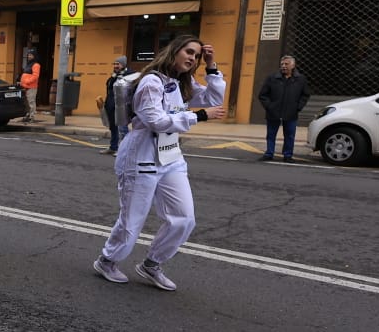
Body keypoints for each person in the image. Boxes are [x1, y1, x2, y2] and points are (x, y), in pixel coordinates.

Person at [94, 36, 226, 292]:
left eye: (197, 56)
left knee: (184, 218)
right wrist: (197, 116)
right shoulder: (151, 81)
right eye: (188, 52)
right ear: (174, 51)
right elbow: (155, 120)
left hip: (171, 158)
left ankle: (152, 263)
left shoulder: (181, 83)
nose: (192, 58)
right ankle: (107, 260)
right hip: (140, 157)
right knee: (132, 221)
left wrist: (212, 67)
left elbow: (212, 99)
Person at [258, 55, 310, 162]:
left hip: (291, 112)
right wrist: (269, 106)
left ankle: (287, 155)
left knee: (290, 135)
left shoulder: (300, 79)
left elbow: (305, 95)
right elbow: (263, 95)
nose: (283, 66)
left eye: (286, 64)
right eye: (282, 64)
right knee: (271, 134)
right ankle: (269, 153)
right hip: (273, 112)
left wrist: (298, 107)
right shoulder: (272, 78)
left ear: (293, 65)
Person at [101, 57, 128, 154]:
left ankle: (124, 150)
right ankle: (113, 147)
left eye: (118, 64)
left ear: (124, 64)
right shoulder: (114, 76)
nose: (116, 66)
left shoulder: (129, 75)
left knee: (122, 129)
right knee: (113, 127)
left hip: (122, 107)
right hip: (111, 105)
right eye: (115, 64)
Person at [19, 54, 42, 123]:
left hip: (31, 86)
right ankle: (27, 115)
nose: (29, 56)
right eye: (28, 55)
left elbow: (35, 76)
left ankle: (32, 117)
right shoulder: (28, 64)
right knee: (26, 102)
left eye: (31, 55)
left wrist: (27, 81)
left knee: (31, 102)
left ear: (34, 56)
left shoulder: (36, 65)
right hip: (25, 86)